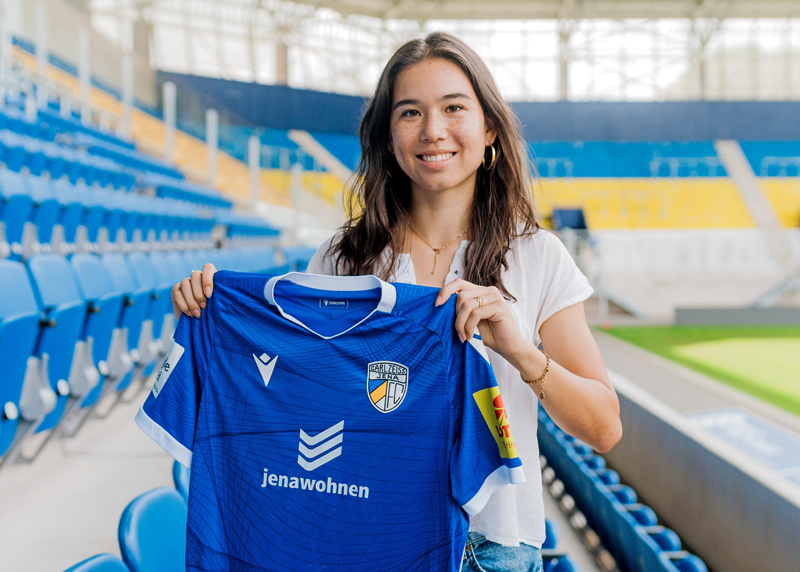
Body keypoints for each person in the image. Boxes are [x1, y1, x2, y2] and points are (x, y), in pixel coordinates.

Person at [171, 31, 621, 572]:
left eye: (454, 107)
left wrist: (520, 351)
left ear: (489, 129)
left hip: (494, 550)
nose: (433, 130)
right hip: (365, 539)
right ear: (388, 136)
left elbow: (604, 429)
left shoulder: (538, 255)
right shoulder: (341, 259)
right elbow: (295, 398)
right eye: (410, 112)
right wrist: (210, 314)